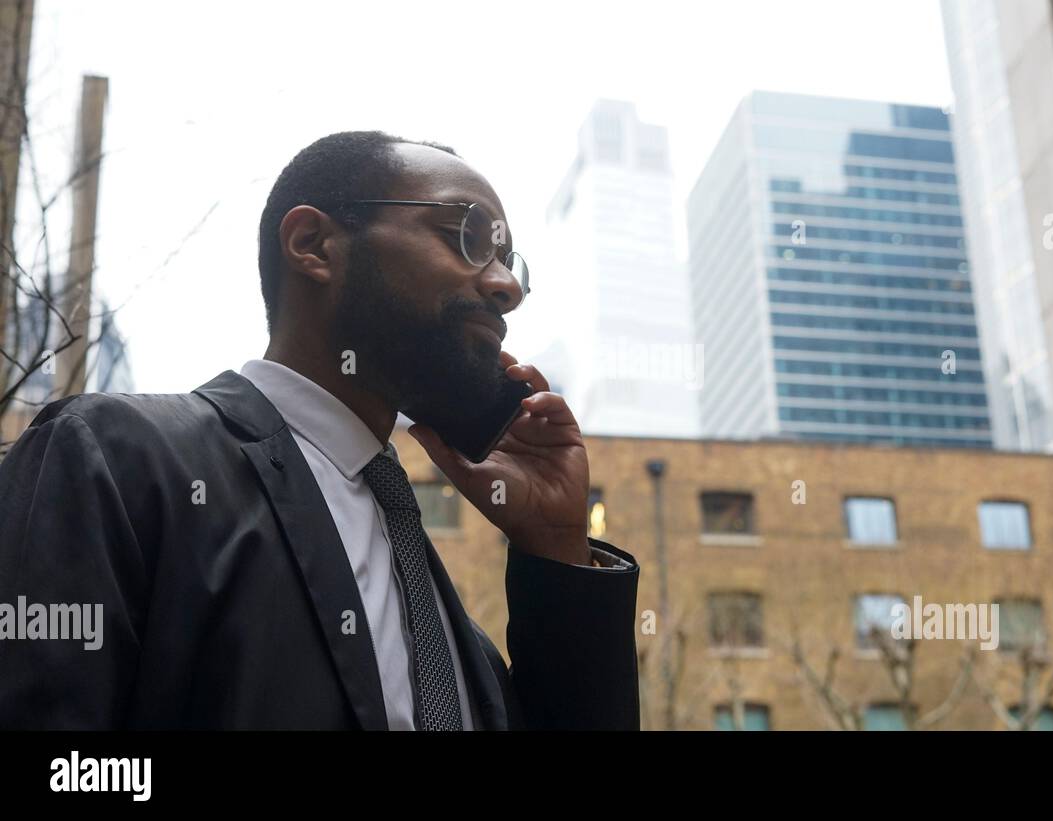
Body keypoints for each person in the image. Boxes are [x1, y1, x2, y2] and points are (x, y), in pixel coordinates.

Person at [0, 131, 640, 730]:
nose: (505, 287)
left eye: (509, 262)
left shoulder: (452, 636)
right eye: (465, 236)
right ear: (312, 245)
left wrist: (557, 550)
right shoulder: (115, 460)